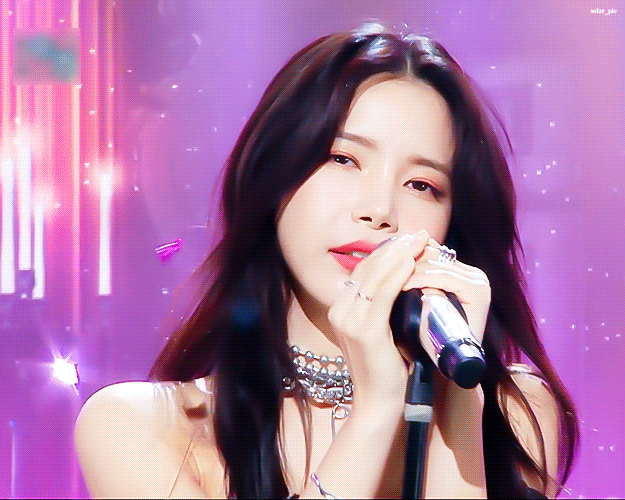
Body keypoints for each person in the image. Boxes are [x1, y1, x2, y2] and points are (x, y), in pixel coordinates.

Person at [74, 22, 579, 499]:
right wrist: (375, 409)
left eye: (421, 185)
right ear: (273, 173)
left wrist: (456, 397)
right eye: (343, 159)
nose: (379, 210)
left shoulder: (512, 413)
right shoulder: (139, 427)